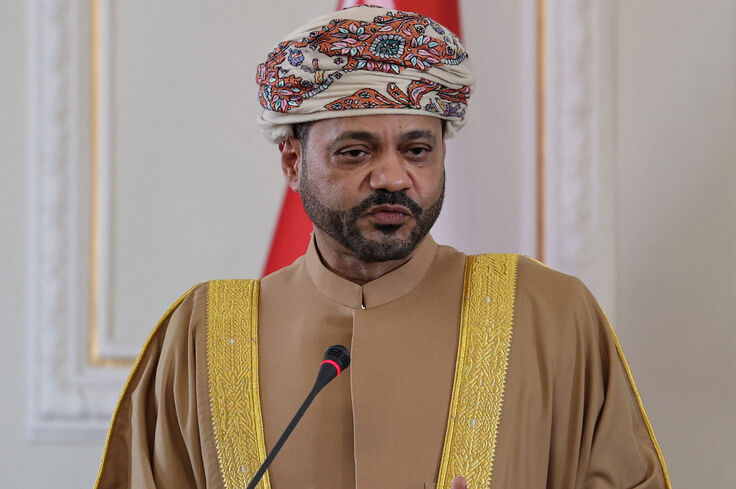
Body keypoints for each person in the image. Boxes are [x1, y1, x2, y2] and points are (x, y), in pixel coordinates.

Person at [93, 6, 670, 489]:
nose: (392, 177)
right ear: (293, 161)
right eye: (356, 152)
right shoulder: (202, 334)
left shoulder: (548, 315)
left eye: (417, 150)